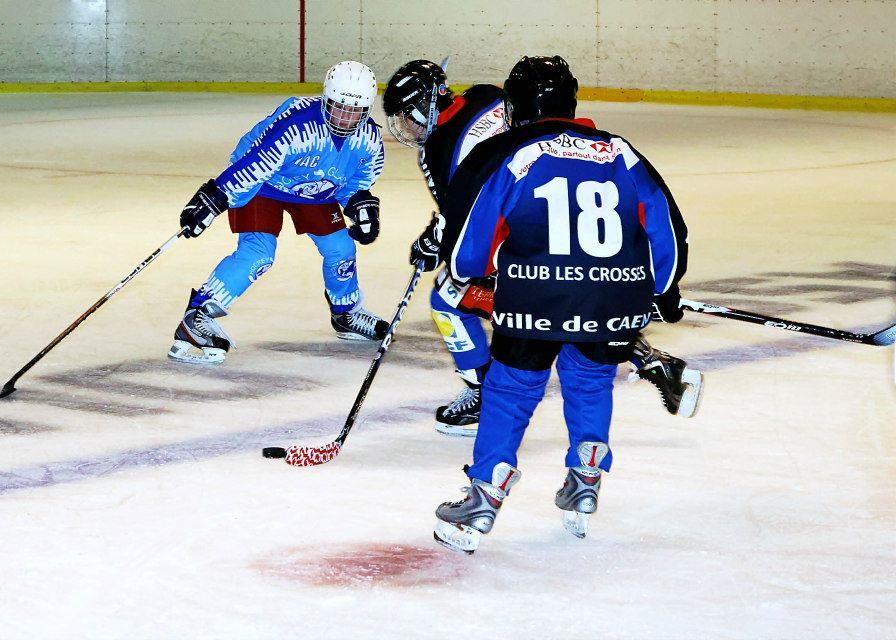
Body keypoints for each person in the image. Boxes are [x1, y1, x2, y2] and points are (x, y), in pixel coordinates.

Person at [432, 56, 691, 553]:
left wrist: (471, 268)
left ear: (515, 107)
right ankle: (586, 478)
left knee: (511, 389)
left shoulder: (508, 150)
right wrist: (664, 289)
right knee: (591, 378)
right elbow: (665, 227)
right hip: (613, 295)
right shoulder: (621, 151)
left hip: (533, 294)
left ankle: (485, 494)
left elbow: (467, 252)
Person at [382, 60, 702, 438]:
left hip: (531, 236)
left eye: (407, 117)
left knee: (450, 298)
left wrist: (435, 243)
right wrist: (662, 287)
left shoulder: (439, 148)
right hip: (585, 222)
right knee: (578, 299)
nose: (406, 128)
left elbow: (468, 217)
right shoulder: (483, 94)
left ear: (425, 106)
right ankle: (650, 360)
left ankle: (483, 393)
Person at [170, 60, 388, 364]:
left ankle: (346, 313)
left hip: (314, 188)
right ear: (326, 98)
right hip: (264, 183)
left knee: (341, 247)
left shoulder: (370, 140)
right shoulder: (298, 126)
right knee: (259, 254)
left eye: (355, 111)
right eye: (339, 107)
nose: (345, 118)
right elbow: (255, 164)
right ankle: (198, 316)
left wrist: (359, 203)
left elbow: (356, 181)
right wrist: (216, 197)